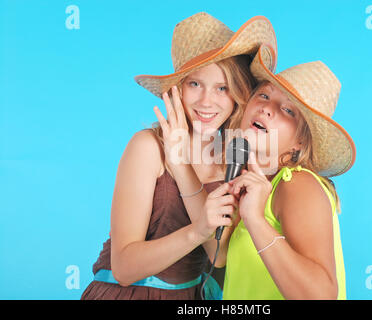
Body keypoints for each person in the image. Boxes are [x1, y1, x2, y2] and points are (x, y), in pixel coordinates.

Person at [80, 13, 277, 300]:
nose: (206, 101)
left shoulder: (235, 160)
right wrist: (198, 230)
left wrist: (182, 166)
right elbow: (123, 268)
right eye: (195, 84)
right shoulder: (148, 147)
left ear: (238, 94)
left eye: (222, 88)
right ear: (177, 90)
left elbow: (218, 254)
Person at [221, 45, 357, 299]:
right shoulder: (253, 185)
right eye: (263, 95)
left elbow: (321, 296)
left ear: (300, 143)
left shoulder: (296, 183)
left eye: (288, 110)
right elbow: (218, 259)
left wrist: (255, 220)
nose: (267, 108)